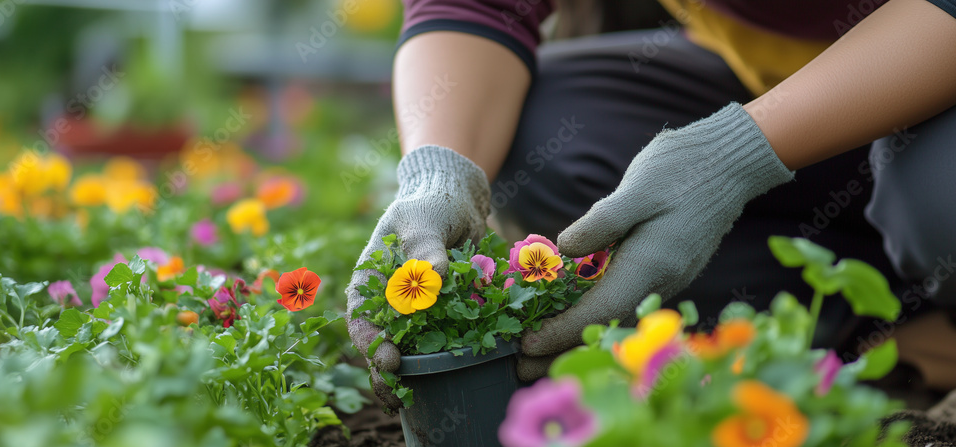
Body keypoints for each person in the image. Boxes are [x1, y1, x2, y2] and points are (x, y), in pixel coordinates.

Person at [346, 0, 956, 410]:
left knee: (938, 195)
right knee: (544, 139)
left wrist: (732, 154)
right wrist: (441, 172)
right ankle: (854, 333)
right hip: (782, 83)